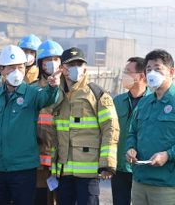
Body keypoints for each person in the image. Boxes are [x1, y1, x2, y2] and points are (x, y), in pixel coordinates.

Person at [0, 45, 60, 205]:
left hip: (24, 169)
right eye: (11, 68)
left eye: (20, 67)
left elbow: (47, 98)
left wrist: (52, 86)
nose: (16, 71)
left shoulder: (33, 93)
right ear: (1, 70)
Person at [52, 47, 120, 205]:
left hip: (89, 172)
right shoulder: (56, 95)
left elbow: (111, 128)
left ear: (85, 68)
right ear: (62, 68)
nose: (75, 68)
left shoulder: (97, 94)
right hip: (63, 171)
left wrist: (107, 163)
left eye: (79, 64)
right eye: (70, 64)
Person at [126, 49, 175, 205]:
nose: (152, 73)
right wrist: (131, 148)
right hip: (140, 182)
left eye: (157, 68)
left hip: (167, 185)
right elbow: (132, 132)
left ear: (171, 72)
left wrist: (168, 155)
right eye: (149, 69)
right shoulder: (144, 103)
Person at [112, 57, 149, 205]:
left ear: (141, 76)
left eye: (128, 72)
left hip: (142, 168)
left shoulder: (152, 102)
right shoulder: (117, 101)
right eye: (124, 71)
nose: (124, 75)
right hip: (120, 167)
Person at [32, 40, 63, 205]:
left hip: (64, 159)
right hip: (39, 160)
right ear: (40, 64)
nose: (52, 63)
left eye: (56, 59)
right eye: (47, 60)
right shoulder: (32, 89)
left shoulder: (68, 89)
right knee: (40, 200)